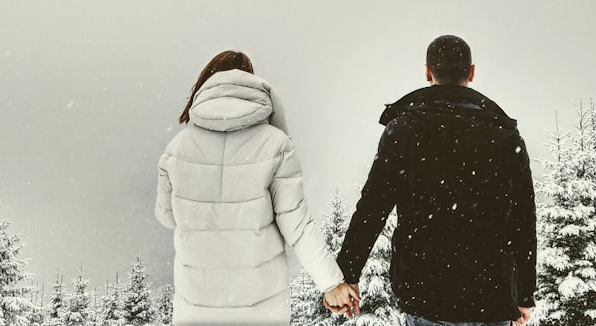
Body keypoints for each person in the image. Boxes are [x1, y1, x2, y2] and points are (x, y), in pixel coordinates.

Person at [328, 35, 536, 326]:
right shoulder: (506, 137)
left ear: (428, 72)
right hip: (491, 295)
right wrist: (525, 294)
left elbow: (372, 208)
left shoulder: (404, 131)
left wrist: (346, 276)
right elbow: (523, 222)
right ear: (471, 72)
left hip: (427, 295)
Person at [155, 50, 360, 325]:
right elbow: (297, 226)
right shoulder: (276, 144)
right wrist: (331, 284)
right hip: (261, 306)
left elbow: (167, 216)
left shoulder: (177, 148)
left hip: (196, 306)